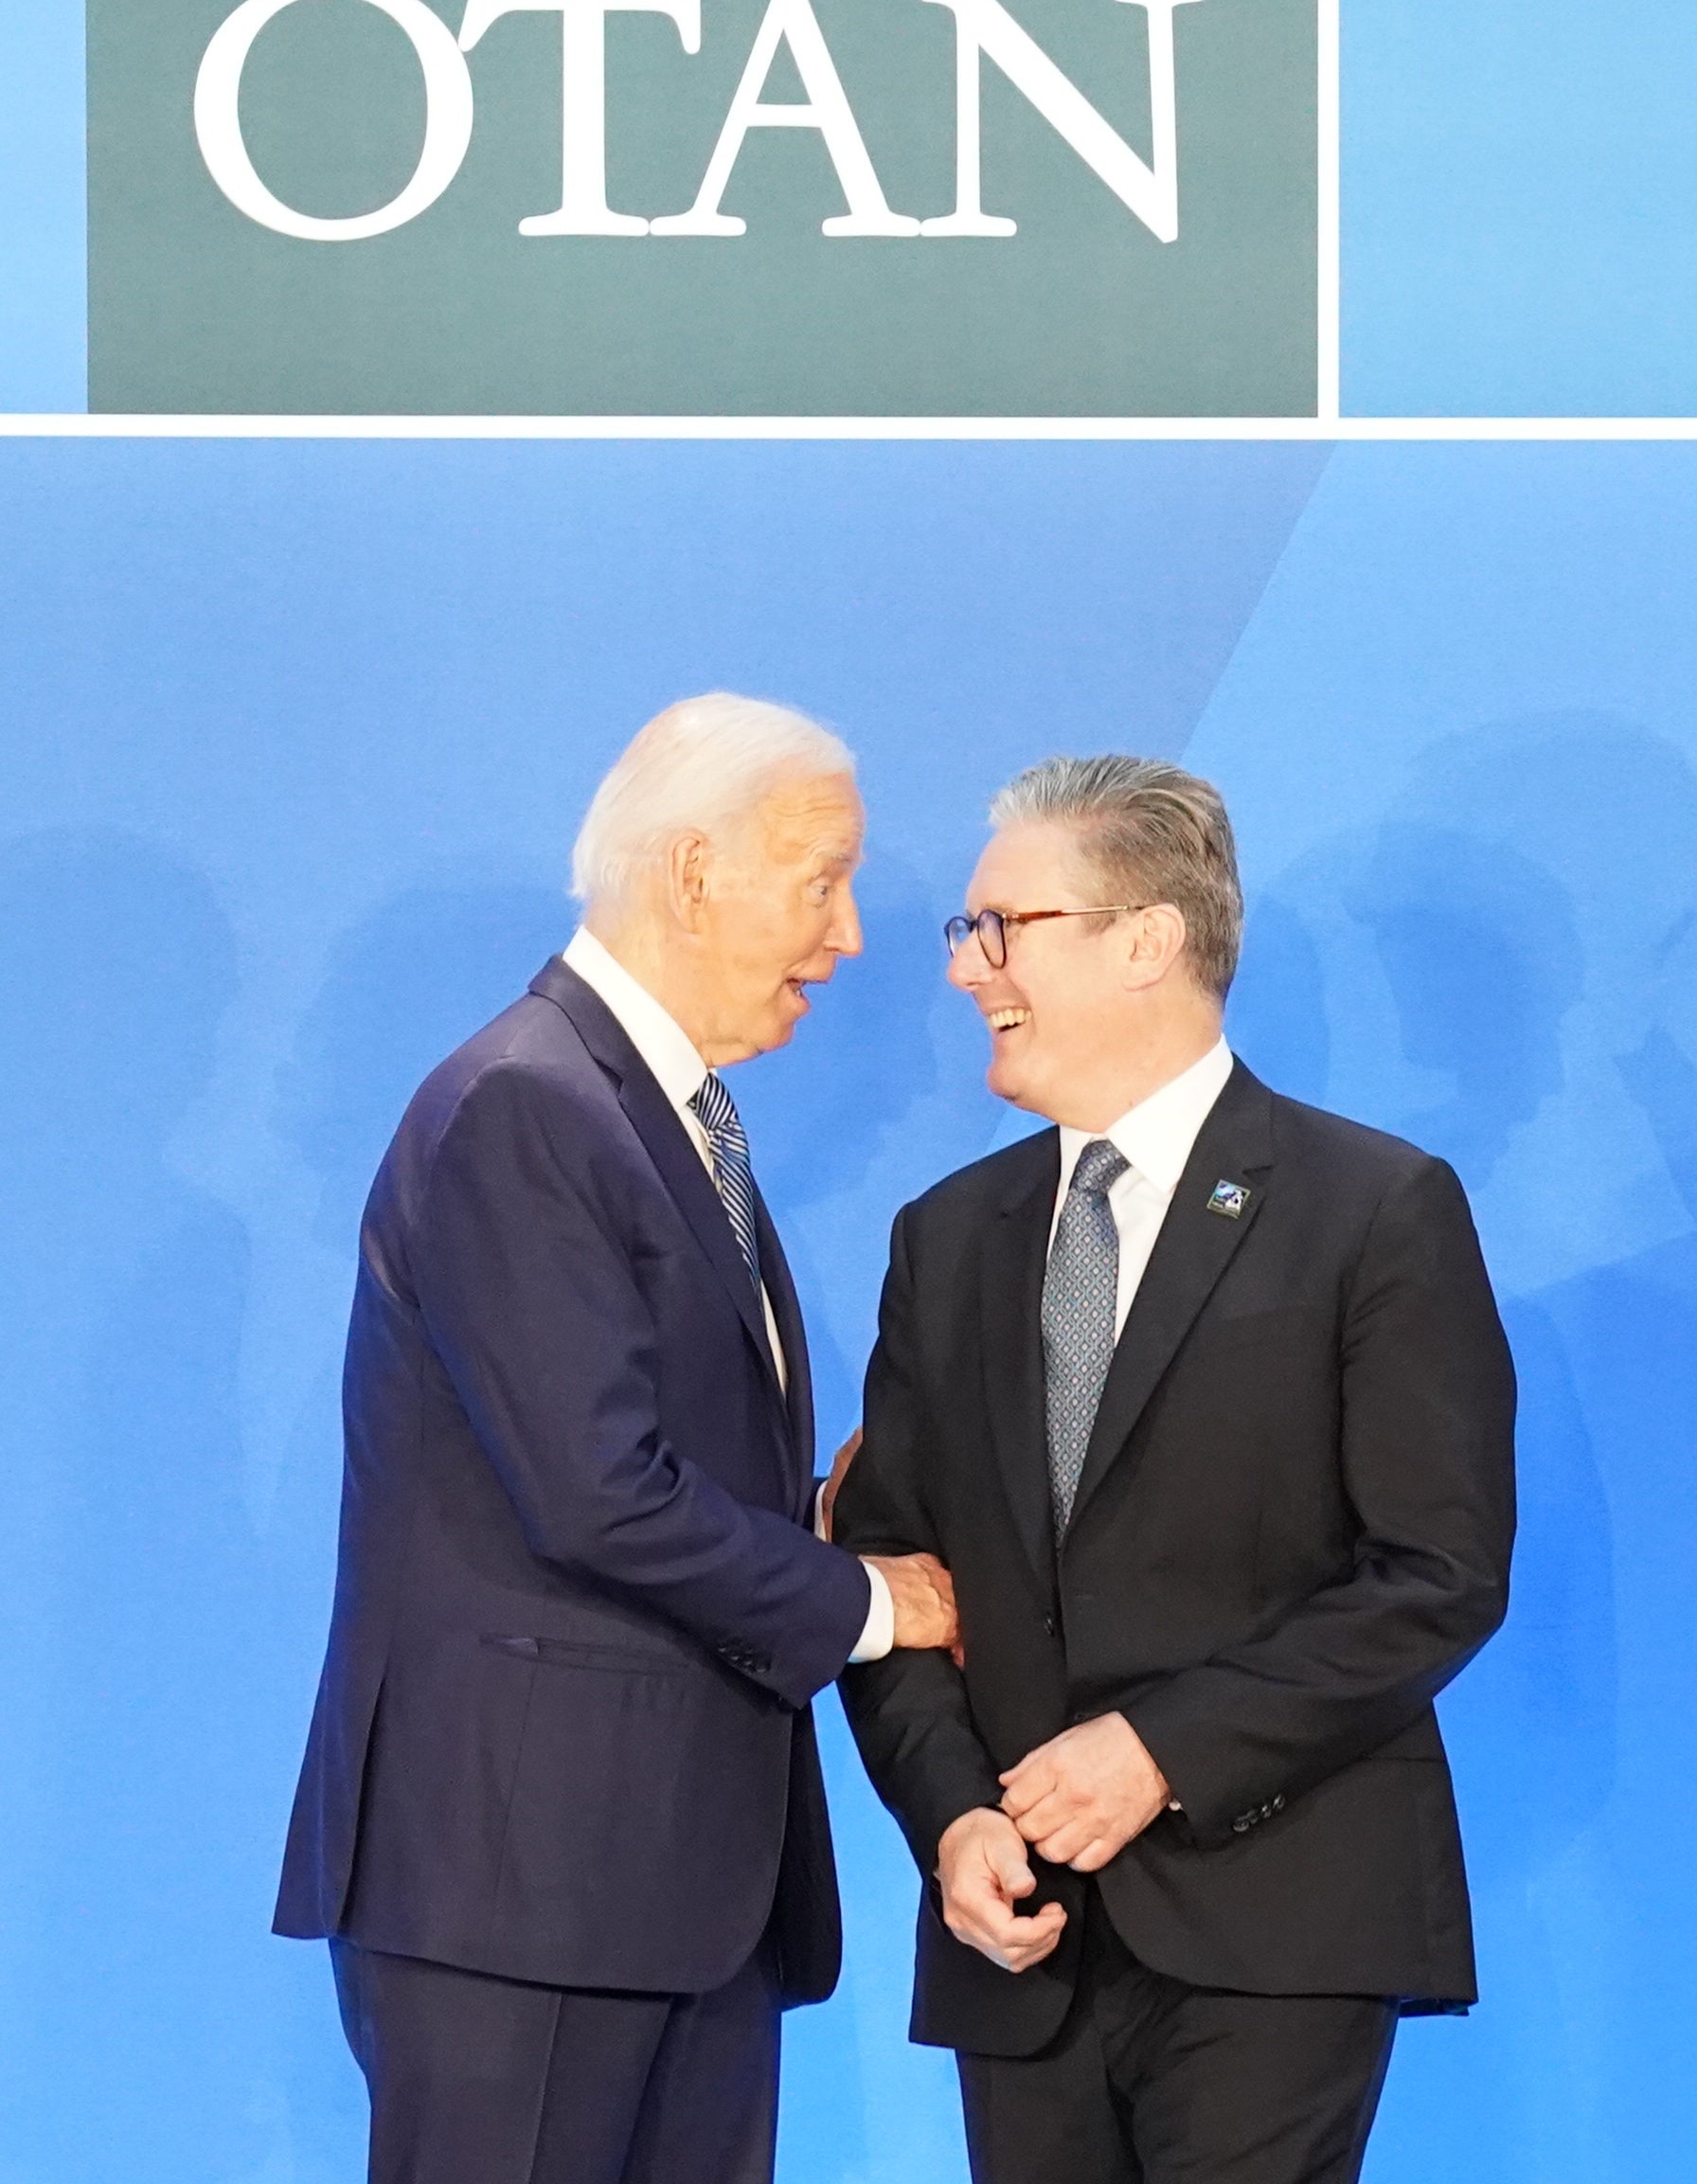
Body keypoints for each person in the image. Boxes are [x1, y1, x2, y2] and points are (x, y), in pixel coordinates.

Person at [274, 693, 956, 2184]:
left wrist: (805, 1525)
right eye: (820, 879)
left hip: (675, 1891)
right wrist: (863, 1602)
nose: (846, 936)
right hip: (527, 1892)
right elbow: (594, 1491)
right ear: (696, 869)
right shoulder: (526, 1104)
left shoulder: (653, 1113)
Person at [834, 755, 1516, 2184]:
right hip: (1020, 1952)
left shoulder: (1373, 1208)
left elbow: (1436, 1577)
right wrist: (952, 1819)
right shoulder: (945, 1241)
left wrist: (1162, 1753)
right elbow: (900, 1582)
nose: (969, 970)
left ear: (1148, 938)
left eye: (1002, 927)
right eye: (971, 933)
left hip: (1278, 1926)